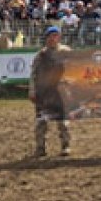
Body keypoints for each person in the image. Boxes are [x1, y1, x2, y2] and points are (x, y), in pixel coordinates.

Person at [29, 26, 72, 157]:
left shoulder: (66, 52)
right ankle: (40, 147)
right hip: (44, 93)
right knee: (41, 122)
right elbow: (33, 74)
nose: (52, 39)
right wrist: (32, 90)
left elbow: (74, 69)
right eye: (50, 36)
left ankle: (65, 146)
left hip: (60, 92)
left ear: (59, 37)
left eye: (55, 35)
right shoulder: (40, 55)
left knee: (63, 122)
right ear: (46, 38)